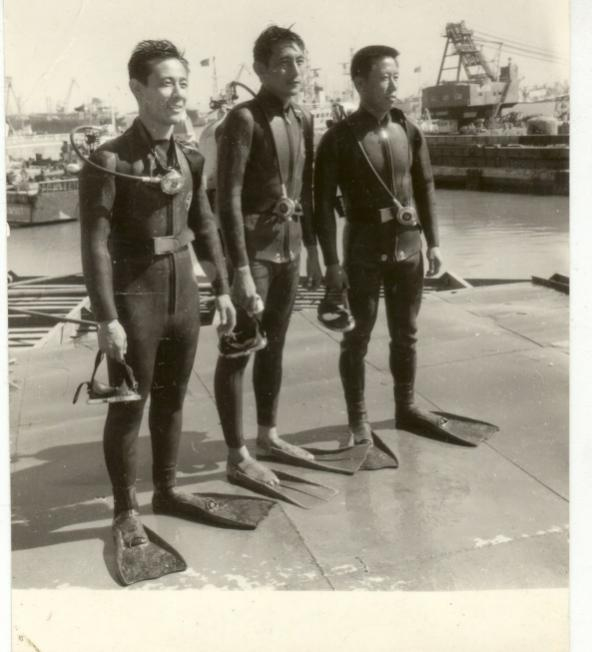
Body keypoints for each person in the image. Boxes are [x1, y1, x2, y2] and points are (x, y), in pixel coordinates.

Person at [79, 40, 237, 569]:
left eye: (183, 83)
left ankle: (167, 490)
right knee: (129, 406)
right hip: (135, 298)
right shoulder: (110, 160)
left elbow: (205, 226)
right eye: (165, 82)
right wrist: (107, 319)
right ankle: (126, 510)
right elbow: (94, 245)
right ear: (137, 89)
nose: (177, 93)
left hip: (183, 296)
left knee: (172, 400)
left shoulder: (189, 157)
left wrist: (223, 288)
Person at [314, 45, 444, 446]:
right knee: (357, 336)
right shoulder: (338, 138)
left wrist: (434, 243)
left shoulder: (408, 129)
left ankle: (406, 407)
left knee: (407, 333)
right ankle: (358, 420)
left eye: (395, 77)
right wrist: (331, 263)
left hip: (408, 245)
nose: (393, 86)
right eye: (384, 77)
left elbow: (425, 186)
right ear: (359, 82)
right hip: (363, 249)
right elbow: (321, 207)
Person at [214, 25, 323, 488]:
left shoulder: (303, 118)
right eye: (283, 62)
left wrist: (313, 251)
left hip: (289, 249)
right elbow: (227, 199)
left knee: (275, 345)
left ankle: (268, 436)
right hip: (254, 253)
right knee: (239, 350)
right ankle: (236, 455)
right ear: (260, 69)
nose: (294, 70)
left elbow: (307, 191)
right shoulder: (243, 119)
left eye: (299, 61)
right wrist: (239, 270)